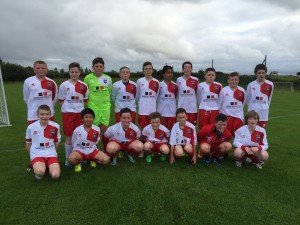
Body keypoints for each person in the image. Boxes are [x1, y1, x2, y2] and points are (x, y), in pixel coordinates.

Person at [58, 62, 89, 167]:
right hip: (68, 114)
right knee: (69, 136)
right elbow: (61, 100)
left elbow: (85, 100)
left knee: (79, 136)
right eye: (72, 72)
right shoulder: (64, 85)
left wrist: (78, 108)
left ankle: (80, 156)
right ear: (69, 72)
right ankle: (68, 158)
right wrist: (68, 108)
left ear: (79, 73)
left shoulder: (84, 85)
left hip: (79, 114)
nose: (74, 74)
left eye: (76, 72)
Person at [68, 108, 110, 172]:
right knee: (71, 159)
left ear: (93, 119)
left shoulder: (97, 129)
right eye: (86, 117)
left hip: (91, 150)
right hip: (80, 150)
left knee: (106, 159)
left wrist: (93, 148)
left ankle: (92, 159)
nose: (88, 119)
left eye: (91, 117)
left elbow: (97, 141)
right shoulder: (77, 130)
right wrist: (75, 150)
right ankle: (79, 162)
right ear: (82, 119)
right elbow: (73, 142)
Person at [25, 105, 61, 180]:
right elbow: (28, 144)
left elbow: (56, 142)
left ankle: (46, 165)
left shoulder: (56, 126)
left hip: (51, 153)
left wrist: (53, 152)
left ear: (50, 115)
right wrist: (32, 155)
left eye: (47, 114)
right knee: (40, 172)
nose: (44, 116)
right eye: (42, 114)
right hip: (37, 153)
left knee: (55, 175)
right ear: (37, 115)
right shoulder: (31, 127)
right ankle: (39, 168)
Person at [84, 57, 112, 148]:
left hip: (105, 107)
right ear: (93, 67)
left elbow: (109, 91)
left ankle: (107, 150)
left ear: (104, 68)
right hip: (93, 107)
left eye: (101, 66)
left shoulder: (108, 78)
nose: (99, 68)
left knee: (104, 129)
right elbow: (85, 92)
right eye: (97, 66)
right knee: (93, 129)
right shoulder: (88, 78)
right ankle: (91, 149)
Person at [23, 60, 57, 124]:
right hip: (33, 115)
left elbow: (54, 98)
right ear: (34, 70)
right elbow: (26, 98)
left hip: (48, 114)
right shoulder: (28, 81)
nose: (41, 70)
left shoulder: (52, 82)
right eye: (38, 68)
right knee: (34, 133)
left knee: (48, 133)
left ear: (47, 69)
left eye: (43, 68)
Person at [246, 64, 274, 128]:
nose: (261, 74)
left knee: (261, 133)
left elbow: (269, 98)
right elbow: (247, 99)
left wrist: (265, 107)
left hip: (263, 113)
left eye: (263, 73)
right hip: (252, 112)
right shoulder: (251, 85)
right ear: (256, 74)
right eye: (259, 73)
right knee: (251, 131)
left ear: (265, 73)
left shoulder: (270, 84)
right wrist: (252, 108)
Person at [136, 61, 160, 129]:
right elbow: (137, 95)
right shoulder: (140, 81)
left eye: (150, 68)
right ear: (143, 71)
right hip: (142, 110)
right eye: (146, 69)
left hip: (152, 110)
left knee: (152, 129)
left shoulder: (156, 82)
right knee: (142, 129)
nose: (148, 70)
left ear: (152, 70)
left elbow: (157, 96)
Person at [157, 65, 178, 130]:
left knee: (171, 132)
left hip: (172, 113)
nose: (170, 74)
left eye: (171, 72)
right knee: (161, 131)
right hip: (162, 113)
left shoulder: (175, 85)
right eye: (168, 72)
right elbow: (156, 97)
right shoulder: (159, 85)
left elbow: (176, 97)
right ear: (164, 74)